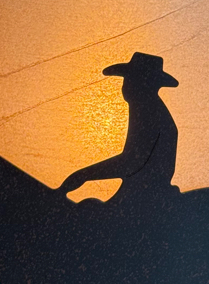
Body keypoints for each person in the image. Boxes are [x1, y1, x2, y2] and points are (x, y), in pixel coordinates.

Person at [58, 52, 180, 203]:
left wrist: (85, 175)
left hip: (142, 198)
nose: (125, 87)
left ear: (144, 85)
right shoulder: (150, 109)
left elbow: (131, 162)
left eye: (131, 80)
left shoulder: (149, 112)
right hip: (143, 194)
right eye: (127, 80)